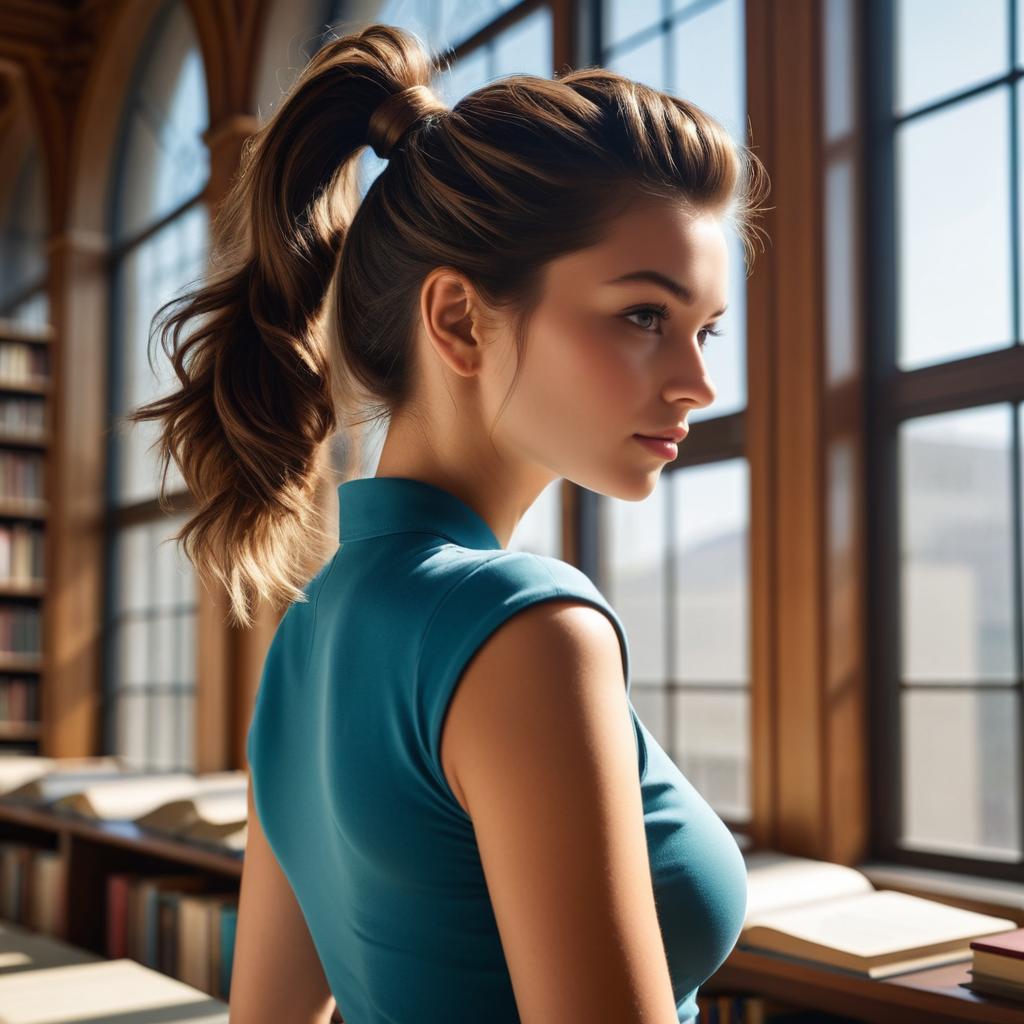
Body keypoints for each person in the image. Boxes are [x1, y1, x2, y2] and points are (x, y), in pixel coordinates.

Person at [128, 21, 770, 1024]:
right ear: (461, 320)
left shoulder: (306, 631)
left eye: (705, 330)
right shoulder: (527, 632)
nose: (697, 382)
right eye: (644, 315)